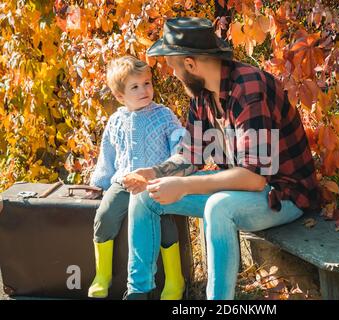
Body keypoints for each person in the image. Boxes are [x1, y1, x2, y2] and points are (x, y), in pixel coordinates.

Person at [122, 17, 321, 300]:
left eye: (173, 65)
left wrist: (184, 187)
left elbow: (253, 179)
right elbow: (191, 157)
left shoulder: (249, 89)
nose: (173, 74)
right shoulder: (202, 96)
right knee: (145, 196)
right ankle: (138, 293)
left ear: (190, 64)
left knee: (218, 207)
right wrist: (153, 173)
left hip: (284, 194)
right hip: (240, 189)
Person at [88, 55, 186, 300]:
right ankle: (103, 274)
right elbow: (107, 154)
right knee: (105, 215)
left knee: (163, 223)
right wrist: (99, 182)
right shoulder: (116, 121)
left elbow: (179, 142)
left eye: (147, 83)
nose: (144, 90)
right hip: (123, 181)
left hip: (154, 182)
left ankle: (175, 279)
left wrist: (176, 166)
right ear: (120, 96)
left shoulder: (163, 115)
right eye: (135, 87)